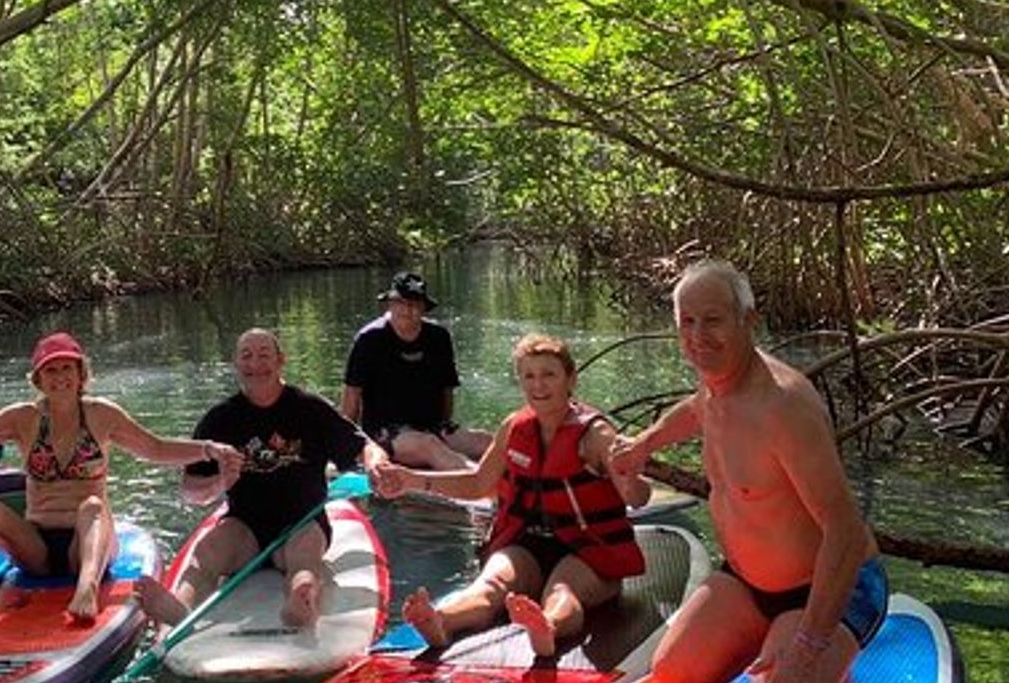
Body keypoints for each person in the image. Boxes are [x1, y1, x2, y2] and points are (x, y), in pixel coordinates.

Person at [609, 260, 886, 683]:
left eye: (713, 320)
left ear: (748, 320)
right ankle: (777, 646)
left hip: (824, 588)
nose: (698, 336)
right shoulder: (716, 387)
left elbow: (843, 533)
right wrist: (643, 445)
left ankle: (832, 666)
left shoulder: (783, 407)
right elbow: (696, 409)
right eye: (687, 323)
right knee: (672, 676)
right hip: (747, 581)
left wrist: (809, 648)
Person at [0, 331, 244, 624]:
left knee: (93, 505)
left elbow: (154, 448)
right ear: (38, 379)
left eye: (67, 367)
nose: (60, 376)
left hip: (88, 546)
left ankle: (87, 589)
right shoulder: (23, 418)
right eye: (51, 369)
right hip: (37, 547)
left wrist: (207, 449)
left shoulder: (102, 414)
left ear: (81, 374)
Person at [373, 333, 650, 654]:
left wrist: (629, 480)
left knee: (562, 591)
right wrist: (412, 480)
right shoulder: (514, 428)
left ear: (570, 379)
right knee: (490, 586)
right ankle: (440, 620)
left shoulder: (597, 435)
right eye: (529, 376)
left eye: (549, 375)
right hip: (527, 543)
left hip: (588, 551)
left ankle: (547, 627)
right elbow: (478, 484)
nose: (538, 385)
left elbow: (639, 498)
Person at [133, 328, 389, 630]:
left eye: (264, 355)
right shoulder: (220, 419)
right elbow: (191, 491)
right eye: (247, 356)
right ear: (237, 365)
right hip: (245, 528)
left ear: (281, 361)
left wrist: (376, 465)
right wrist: (220, 484)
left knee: (304, 556)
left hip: (302, 522)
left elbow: (364, 446)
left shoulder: (310, 409)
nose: (256, 364)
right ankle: (180, 607)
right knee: (208, 552)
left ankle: (301, 599)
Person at [340, 271, 490, 469]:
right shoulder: (369, 339)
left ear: (423, 308)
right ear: (390, 303)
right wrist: (345, 446)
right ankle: (483, 488)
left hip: (431, 425)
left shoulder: (438, 337)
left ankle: (528, 479)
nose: (407, 309)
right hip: (385, 433)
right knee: (430, 446)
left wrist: (444, 426)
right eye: (401, 302)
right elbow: (352, 394)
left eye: (414, 304)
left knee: (484, 441)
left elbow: (447, 389)